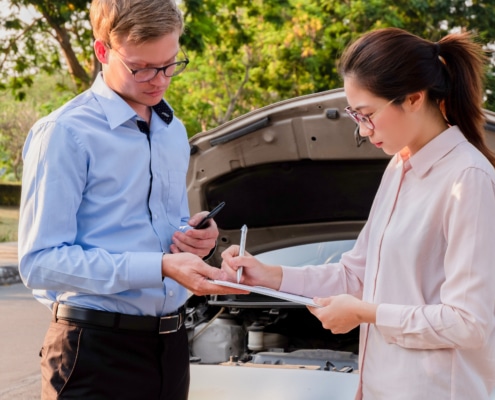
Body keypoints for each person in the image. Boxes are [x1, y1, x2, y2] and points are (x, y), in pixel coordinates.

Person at [222, 27, 495, 399]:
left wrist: (367, 314)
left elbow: (469, 323)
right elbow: (356, 275)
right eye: (356, 116)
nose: (364, 132)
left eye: (367, 115)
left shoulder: (468, 178)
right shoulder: (400, 167)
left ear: (414, 98)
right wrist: (269, 275)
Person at [18, 0, 235, 399]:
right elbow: (39, 262)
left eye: (170, 64)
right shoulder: (65, 133)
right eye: (142, 68)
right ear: (102, 51)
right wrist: (160, 266)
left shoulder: (173, 129)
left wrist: (193, 238)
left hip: (171, 346)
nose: (160, 80)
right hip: (92, 352)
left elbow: (156, 230)